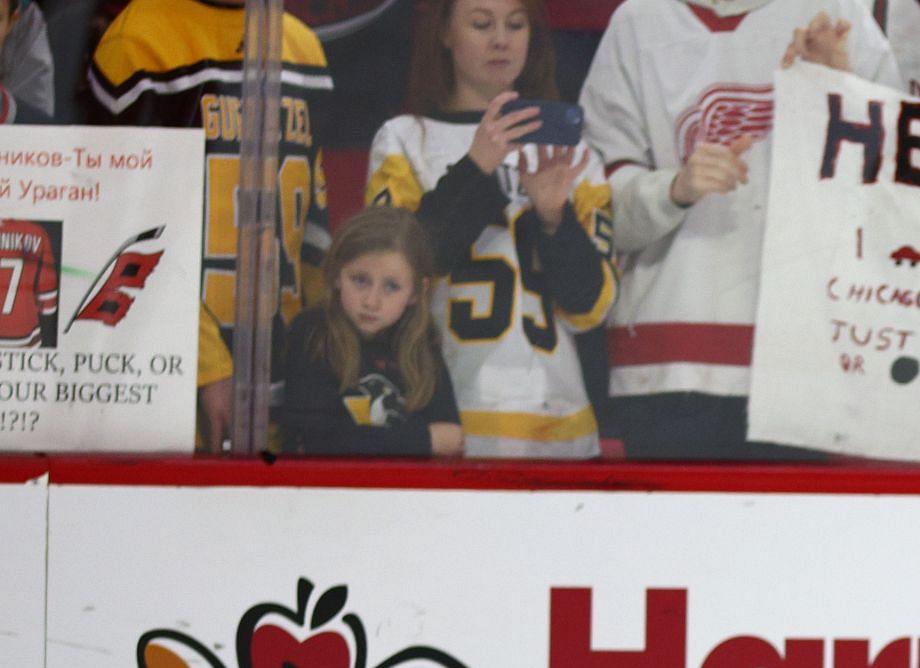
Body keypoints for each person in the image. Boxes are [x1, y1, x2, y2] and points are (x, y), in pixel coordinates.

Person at [578, 0, 901, 459]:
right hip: (668, 364)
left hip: (803, 362)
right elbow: (595, 210)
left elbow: (894, 193)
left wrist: (840, 94)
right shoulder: (639, 21)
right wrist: (674, 188)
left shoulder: (838, 14)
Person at [367, 0, 616, 459]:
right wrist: (475, 167)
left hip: (562, 427)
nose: (501, 39)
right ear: (444, 32)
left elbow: (591, 307)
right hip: (449, 421)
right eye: (481, 23)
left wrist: (554, 218)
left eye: (516, 24)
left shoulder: (573, 156)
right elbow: (393, 280)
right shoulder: (404, 139)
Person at [85, 0, 332, 450]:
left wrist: (328, 358)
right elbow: (119, 226)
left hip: (285, 378)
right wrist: (205, 365)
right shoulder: (137, 40)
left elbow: (312, 227)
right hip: (169, 384)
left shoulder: (302, 47)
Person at [282, 206, 464, 458]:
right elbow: (318, 442)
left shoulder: (422, 340)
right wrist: (423, 438)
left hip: (403, 495)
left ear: (415, 292)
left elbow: (451, 438)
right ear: (336, 274)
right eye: (360, 280)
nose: (371, 301)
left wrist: (365, 439)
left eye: (391, 286)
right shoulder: (312, 332)